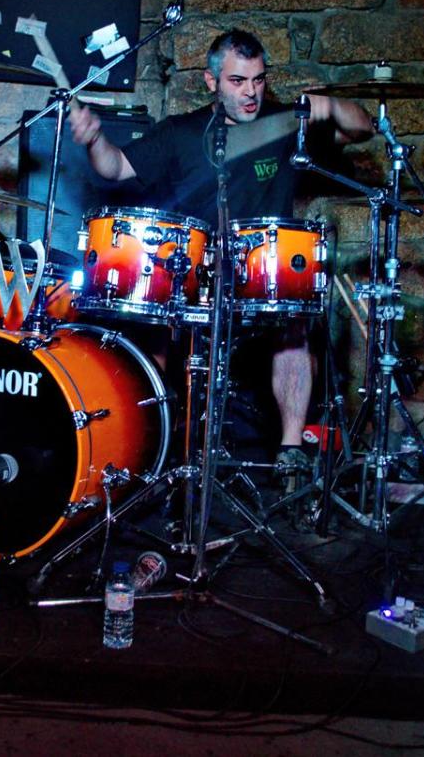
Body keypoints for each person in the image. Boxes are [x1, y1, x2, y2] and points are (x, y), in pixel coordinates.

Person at [70, 29, 373, 468]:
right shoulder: (181, 132)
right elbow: (115, 167)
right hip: (194, 272)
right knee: (153, 318)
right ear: (212, 82)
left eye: (258, 80)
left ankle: (291, 453)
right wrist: (95, 140)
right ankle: (151, 446)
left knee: (294, 327)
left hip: (261, 269)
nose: (251, 92)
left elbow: (361, 128)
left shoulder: (286, 123)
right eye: (237, 81)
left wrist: (330, 107)